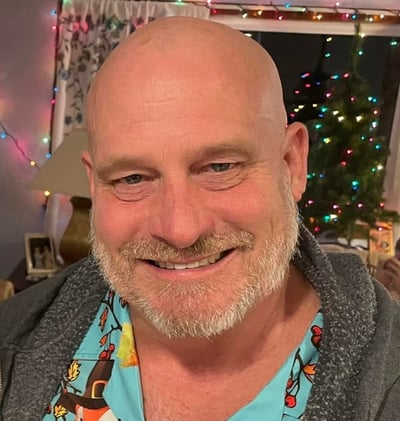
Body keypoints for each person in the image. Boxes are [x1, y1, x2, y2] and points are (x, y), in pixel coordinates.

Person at [0, 17, 399, 421]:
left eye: (220, 167)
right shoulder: (12, 339)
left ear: (292, 163)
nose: (180, 230)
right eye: (132, 178)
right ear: (94, 182)